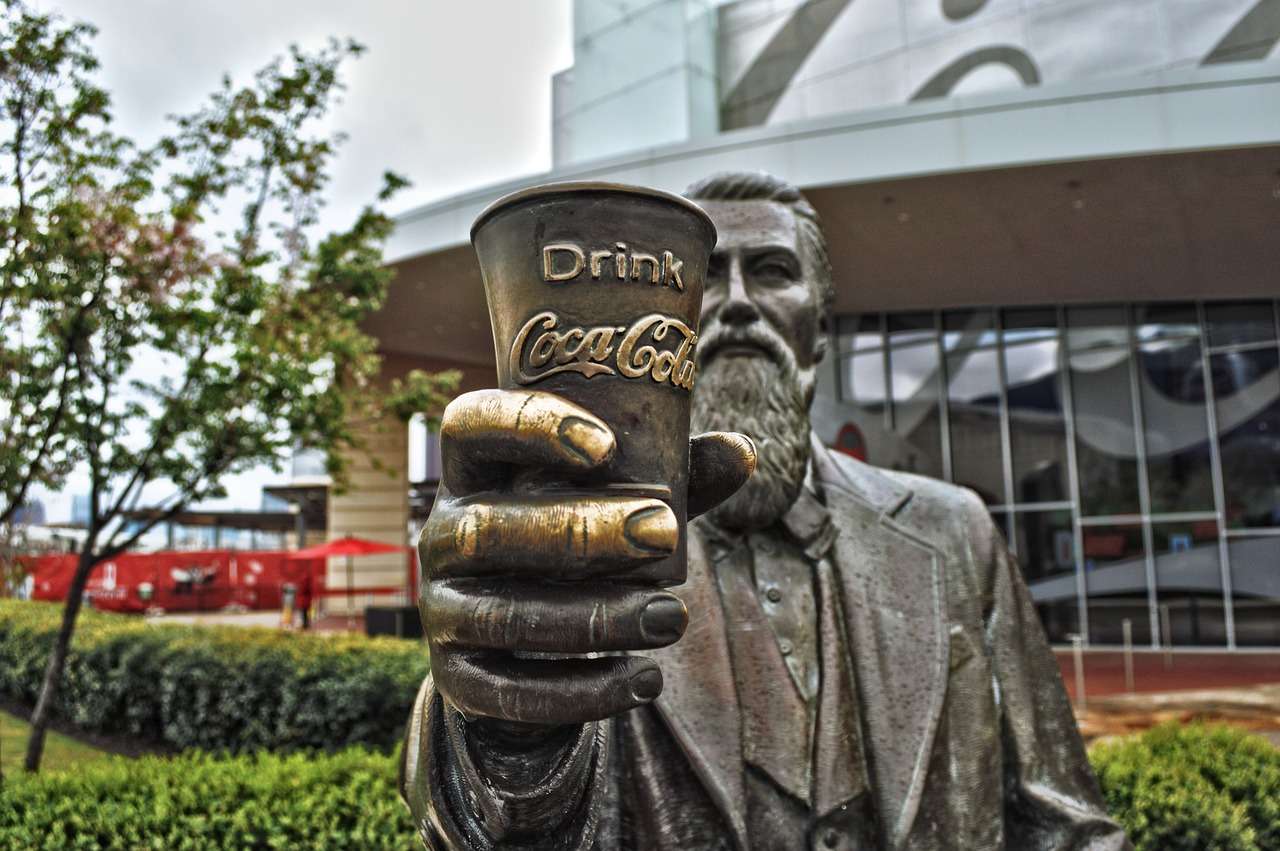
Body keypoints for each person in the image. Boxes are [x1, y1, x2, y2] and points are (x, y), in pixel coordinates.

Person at [401, 172, 1129, 850]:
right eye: (705, 276)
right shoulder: (584, 554)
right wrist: (504, 714)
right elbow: (507, 828)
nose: (740, 301)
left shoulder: (954, 530)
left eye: (774, 271)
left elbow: (1067, 824)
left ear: (821, 328)